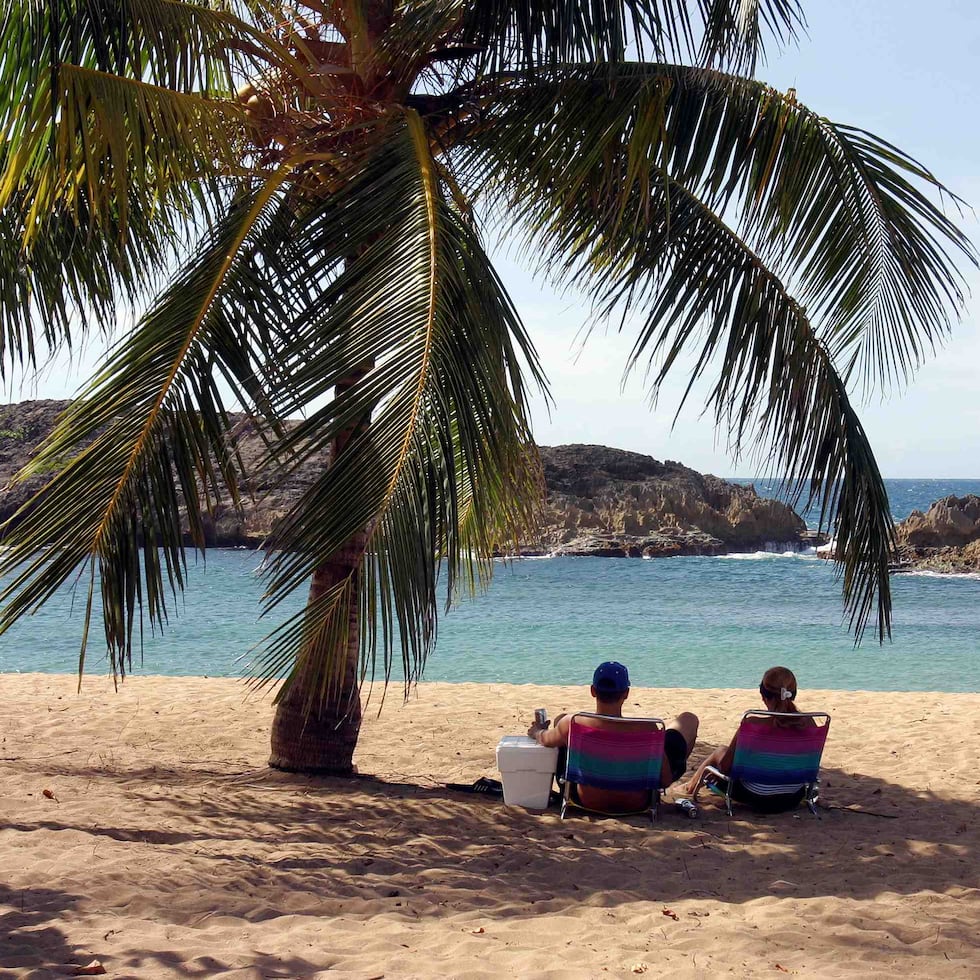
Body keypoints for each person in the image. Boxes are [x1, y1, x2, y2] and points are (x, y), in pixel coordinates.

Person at [527, 661, 699, 813]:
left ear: (593, 691)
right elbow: (665, 779)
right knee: (688, 719)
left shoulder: (573, 722)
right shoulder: (646, 728)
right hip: (636, 803)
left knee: (561, 723)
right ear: (626, 693)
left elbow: (545, 739)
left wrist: (537, 731)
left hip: (586, 800)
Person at [683, 665, 816, 812]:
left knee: (720, 752)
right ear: (793, 693)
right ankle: (689, 785)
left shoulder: (752, 723)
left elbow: (725, 767)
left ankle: (689, 786)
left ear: (763, 695)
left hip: (755, 796)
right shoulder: (809, 722)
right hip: (793, 797)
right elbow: (810, 765)